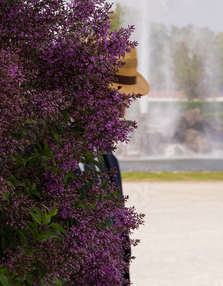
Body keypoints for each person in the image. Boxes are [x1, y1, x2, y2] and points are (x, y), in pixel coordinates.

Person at [77, 46, 150, 282]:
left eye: (127, 101)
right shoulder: (37, 152)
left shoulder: (109, 160)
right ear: (87, 94)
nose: (122, 113)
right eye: (118, 100)